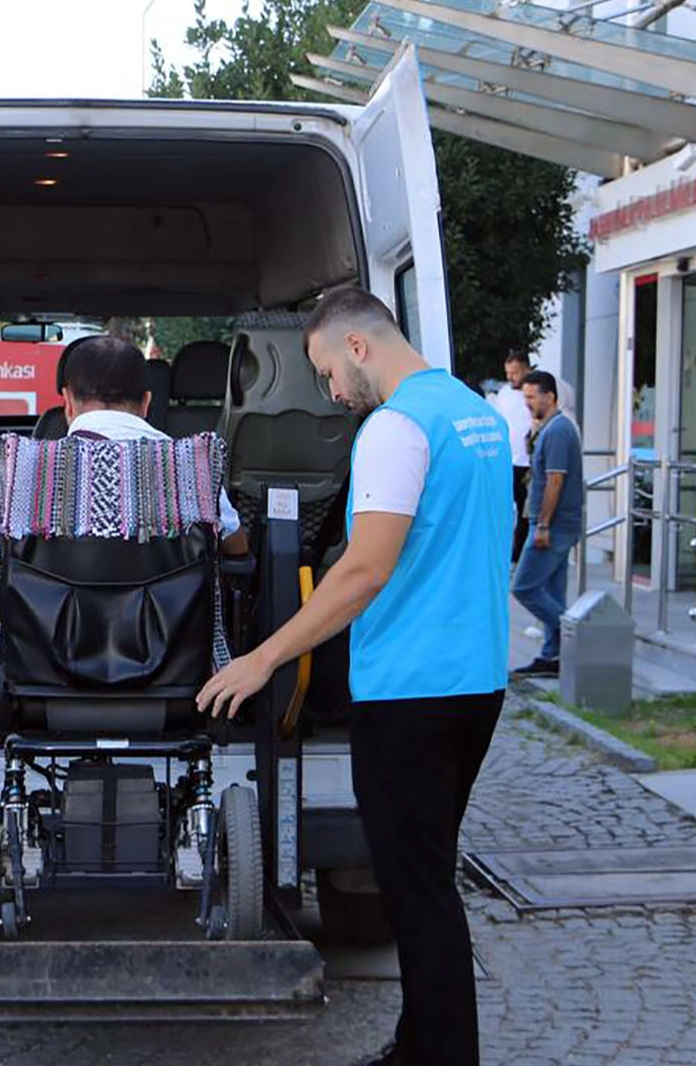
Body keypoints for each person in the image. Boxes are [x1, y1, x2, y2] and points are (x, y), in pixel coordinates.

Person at [196, 287, 513, 1066]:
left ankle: (441, 1057)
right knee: (424, 874)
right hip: (476, 679)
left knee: (419, 892)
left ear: (358, 347)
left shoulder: (393, 428)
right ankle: (417, 1045)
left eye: (327, 370)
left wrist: (264, 655)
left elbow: (362, 571)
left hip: (410, 689)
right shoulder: (475, 415)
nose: (332, 391)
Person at [0, 334, 248, 571]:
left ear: (67, 402)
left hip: (48, 644)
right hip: (170, 643)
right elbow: (237, 547)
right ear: (147, 403)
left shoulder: (20, 473)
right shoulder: (190, 469)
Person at [511, 370, 584, 678]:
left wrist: (542, 525)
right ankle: (553, 656)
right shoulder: (550, 428)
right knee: (552, 593)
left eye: (531, 397)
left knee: (524, 586)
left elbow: (555, 480)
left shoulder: (558, 431)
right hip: (555, 525)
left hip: (552, 527)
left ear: (550, 397)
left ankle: (580, 635)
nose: (526, 403)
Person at [490, 352, 533, 562]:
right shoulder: (505, 393)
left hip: (528, 462)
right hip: (508, 461)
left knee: (526, 509)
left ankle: (519, 554)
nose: (511, 377)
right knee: (506, 508)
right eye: (508, 373)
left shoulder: (535, 391)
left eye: (515, 372)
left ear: (526, 368)